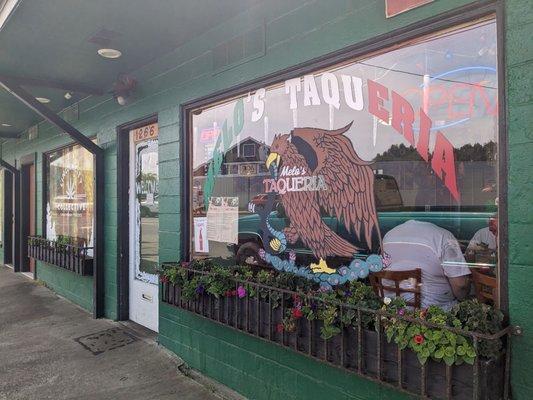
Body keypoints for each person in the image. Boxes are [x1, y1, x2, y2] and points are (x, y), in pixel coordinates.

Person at [382, 220, 471, 310]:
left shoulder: (388, 235)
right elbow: (460, 285)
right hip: (434, 312)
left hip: (391, 309)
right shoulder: (443, 236)